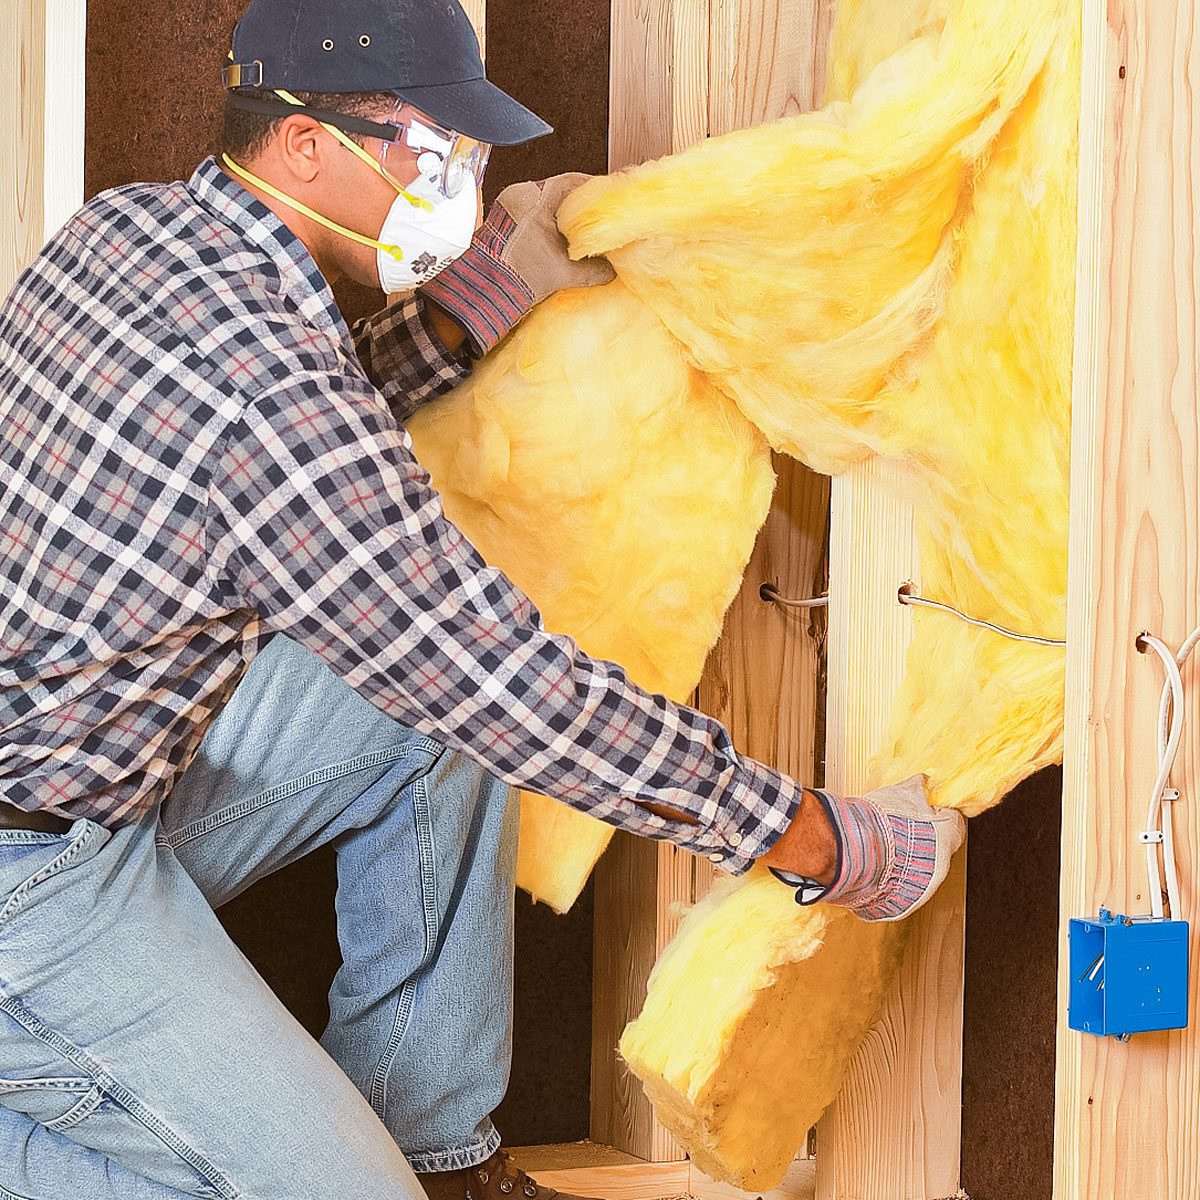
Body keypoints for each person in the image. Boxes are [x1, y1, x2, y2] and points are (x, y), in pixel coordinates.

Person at [0, 0, 965, 1196]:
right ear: (305, 144)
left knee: (414, 720)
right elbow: (503, 684)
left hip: (80, 790)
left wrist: (467, 313)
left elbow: (270, 457)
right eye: (429, 148)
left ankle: (439, 1158)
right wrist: (811, 837)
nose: (453, 184)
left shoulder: (125, 235)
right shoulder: (265, 393)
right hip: (31, 889)